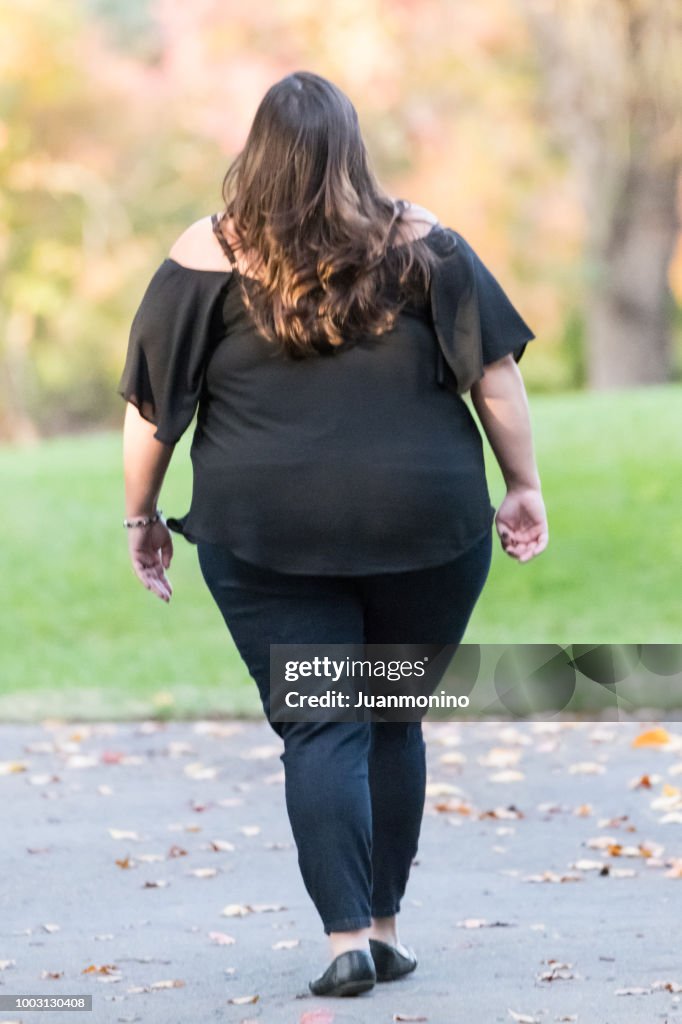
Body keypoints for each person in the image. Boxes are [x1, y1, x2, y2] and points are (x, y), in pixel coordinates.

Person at [117, 70, 548, 998]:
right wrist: (523, 487)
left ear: (257, 152)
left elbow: (154, 411)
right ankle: (385, 928)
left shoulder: (206, 254)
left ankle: (346, 938)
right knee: (392, 717)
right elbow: (497, 380)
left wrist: (140, 516)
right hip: (424, 526)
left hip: (266, 533)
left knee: (322, 726)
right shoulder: (425, 241)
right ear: (352, 151)